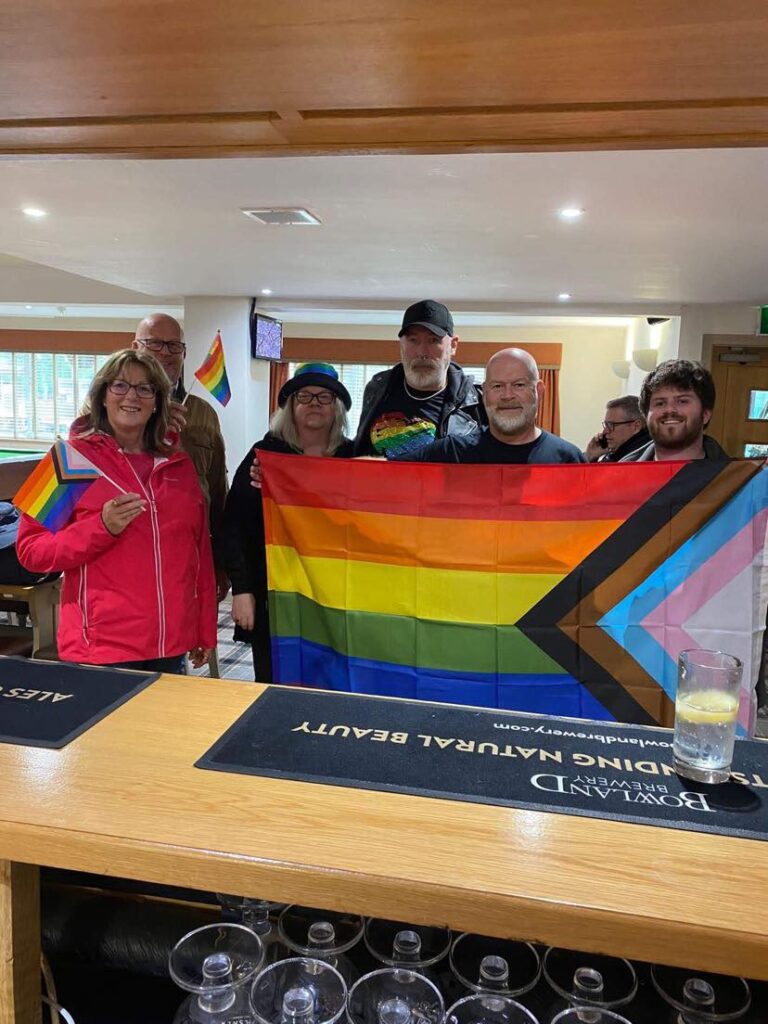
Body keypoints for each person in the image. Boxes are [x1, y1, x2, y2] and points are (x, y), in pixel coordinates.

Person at [16, 349, 217, 672]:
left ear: (157, 402)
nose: (131, 397)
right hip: (101, 648)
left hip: (171, 643)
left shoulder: (179, 465)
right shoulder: (67, 460)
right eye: (120, 385)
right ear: (103, 395)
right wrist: (100, 528)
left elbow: (199, 551)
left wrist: (205, 626)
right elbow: (30, 551)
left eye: (144, 388)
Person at [220, 363, 354, 681]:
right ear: (290, 407)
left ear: (337, 408)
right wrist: (242, 591)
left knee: (334, 683)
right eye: (304, 396)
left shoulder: (354, 456)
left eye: (324, 397)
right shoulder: (265, 455)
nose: (314, 403)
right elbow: (233, 524)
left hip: (336, 596)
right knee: (272, 682)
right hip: (273, 593)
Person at [132, 313, 229, 601]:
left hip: (189, 557)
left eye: (174, 346)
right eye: (154, 344)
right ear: (135, 347)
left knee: (183, 642)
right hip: (129, 557)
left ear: (184, 353)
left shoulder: (203, 414)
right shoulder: (101, 411)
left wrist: (220, 561)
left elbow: (217, 491)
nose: (165, 352)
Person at [391, 347, 585, 464]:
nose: (507, 395)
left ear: (539, 390)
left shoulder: (568, 459)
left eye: (519, 385)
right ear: (484, 394)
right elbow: (379, 474)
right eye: (497, 386)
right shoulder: (452, 453)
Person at [353, 299, 484, 458]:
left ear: (453, 345)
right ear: (401, 344)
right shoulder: (377, 389)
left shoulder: (477, 400)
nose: (422, 352)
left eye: (433, 340)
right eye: (413, 340)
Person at [620, 359, 728, 462]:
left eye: (682, 401)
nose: (670, 409)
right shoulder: (618, 477)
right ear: (646, 415)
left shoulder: (735, 478)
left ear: (705, 414)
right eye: (660, 403)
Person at [584, 395, 650, 462]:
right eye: (606, 425)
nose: (605, 431)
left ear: (636, 426)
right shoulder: (620, 454)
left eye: (611, 425)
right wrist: (590, 456)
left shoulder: (640, 458)